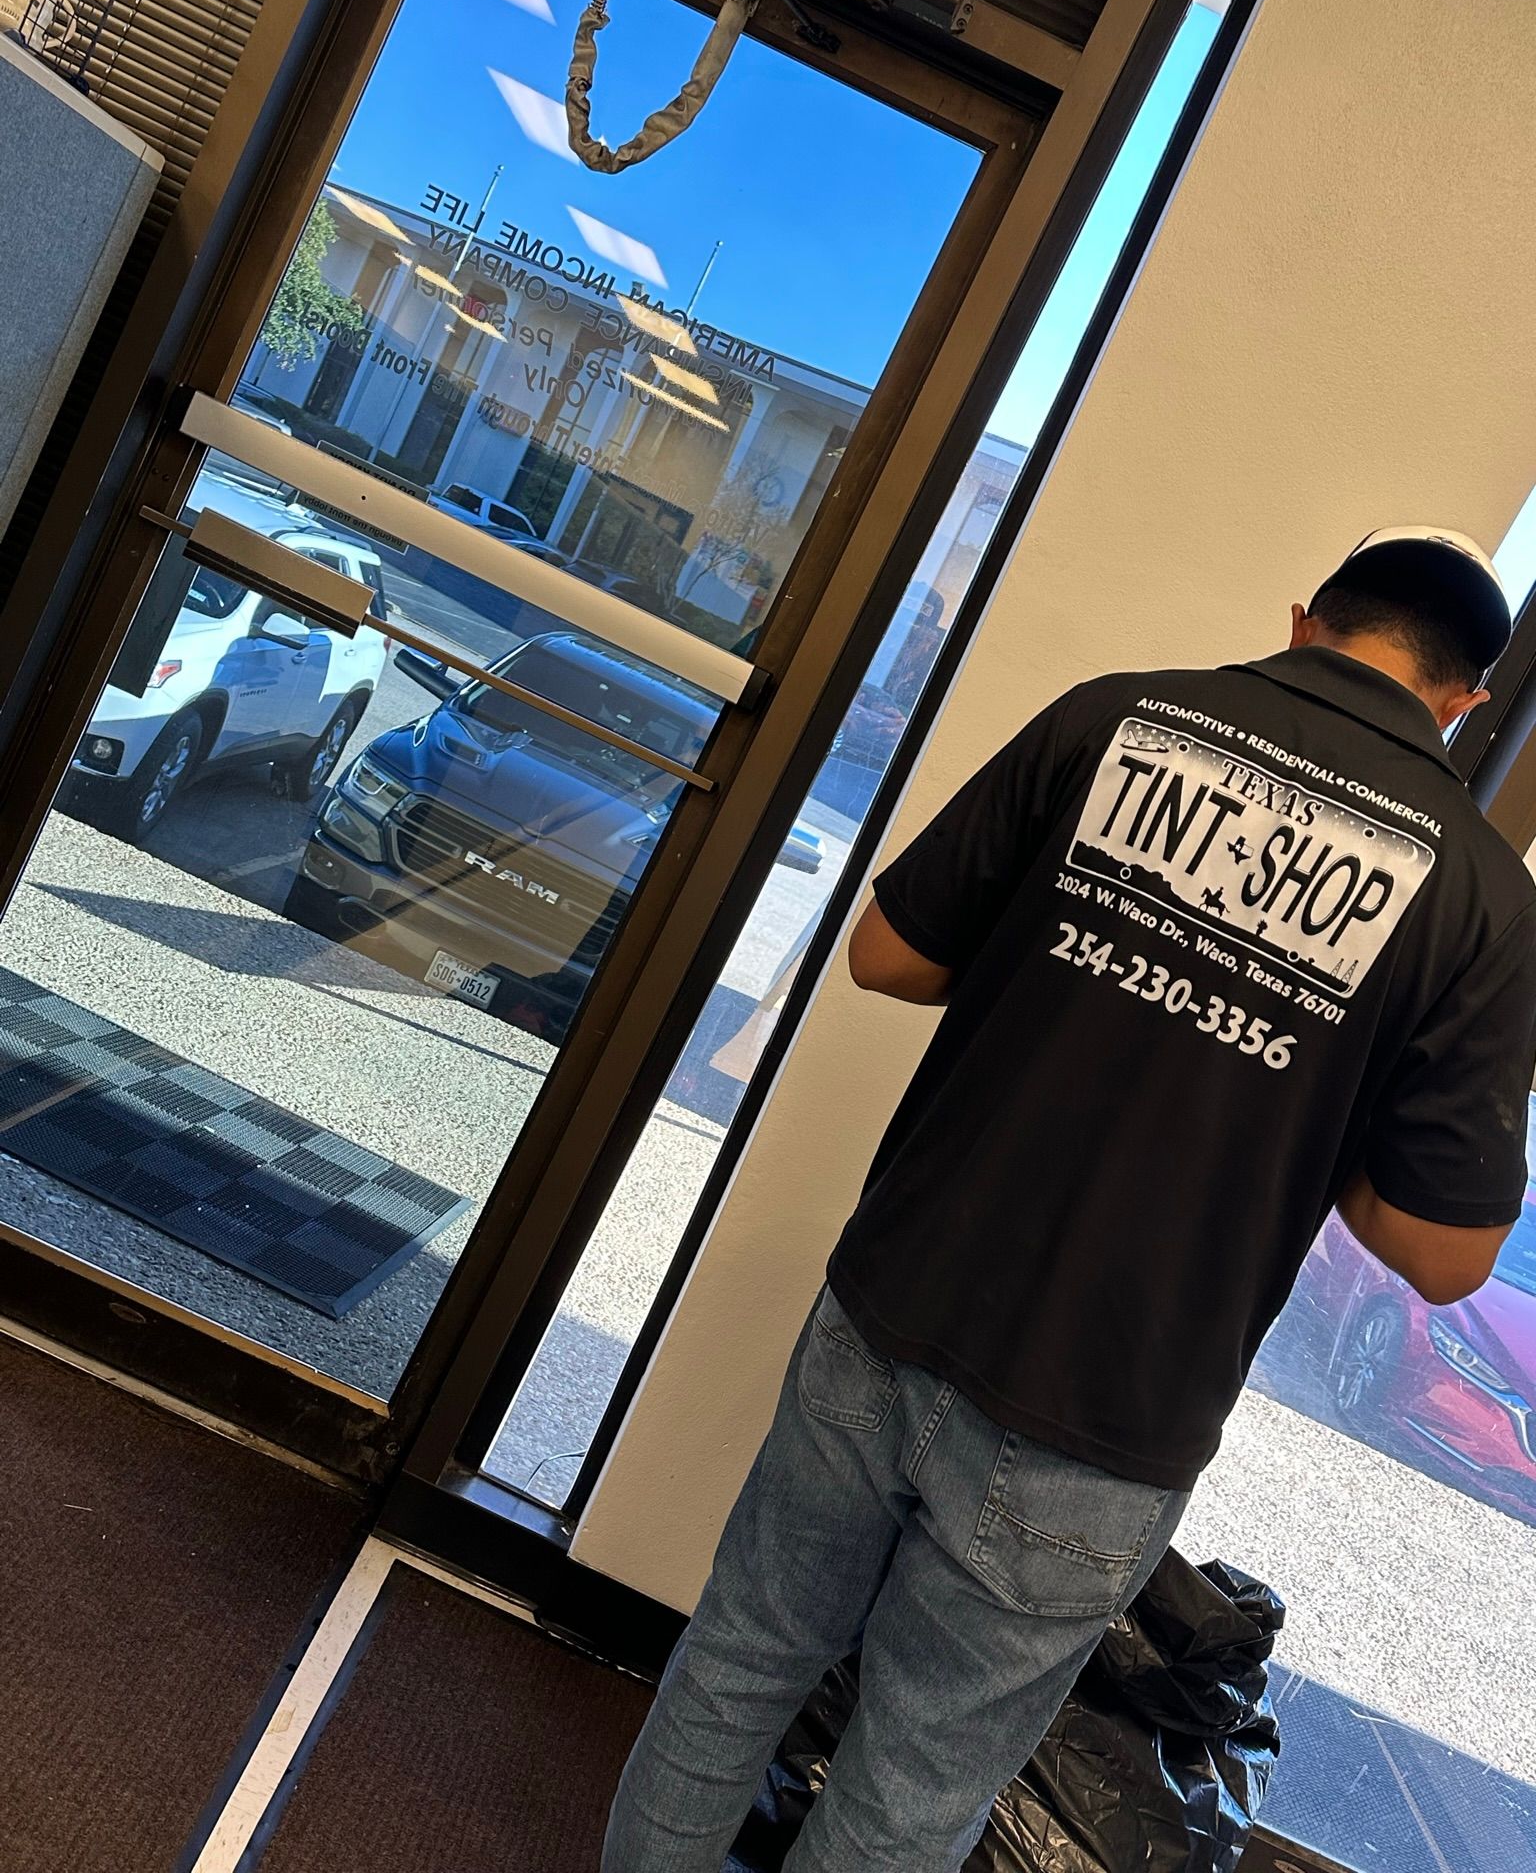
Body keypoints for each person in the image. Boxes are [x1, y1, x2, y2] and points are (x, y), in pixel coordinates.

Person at [604, 528, 1536, 1873]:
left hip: (898, 1301)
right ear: (1463, 701)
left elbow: (886, 954)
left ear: (1304, 619)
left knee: (741, 1657)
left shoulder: (1118, 719)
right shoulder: (1481, 897)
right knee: (917, 1780)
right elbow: (1448, 1256)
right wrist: (1317, 1101)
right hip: (1109, 1414)